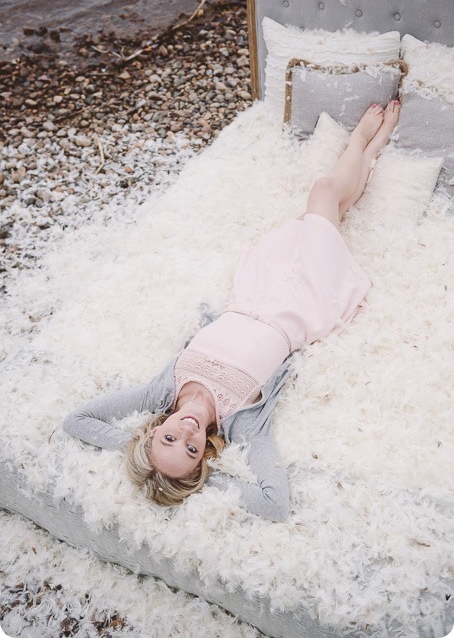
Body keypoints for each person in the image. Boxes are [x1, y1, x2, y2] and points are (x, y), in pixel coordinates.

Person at [63, 101, 400, 522]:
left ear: (153, 430)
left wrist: (140, 454)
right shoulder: (242, 424)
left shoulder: (159, 393)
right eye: (189, 449)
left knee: (329, 213)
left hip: (257, 287)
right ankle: (366, 141)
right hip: (303, 300)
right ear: (203, 452)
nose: (185, 432)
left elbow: (77, 420)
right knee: (323, 196)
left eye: (167, 439)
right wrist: (199, 478)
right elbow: (274, 504)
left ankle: (369, 154)